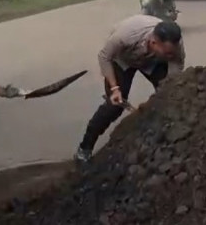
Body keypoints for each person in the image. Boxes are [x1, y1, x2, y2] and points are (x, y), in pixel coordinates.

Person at [74, 14, 185, 163]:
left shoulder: (175, 48)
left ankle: (166, 140)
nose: (171, 55)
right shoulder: (125, 36)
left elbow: (174, 75)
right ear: (153, 42)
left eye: (172, 53)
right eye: (167, 53)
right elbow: (104, 57)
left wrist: (166, 92)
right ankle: (84, 149)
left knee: (169, 99)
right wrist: (114, 89)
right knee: (113, 106)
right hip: (123, 59)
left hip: (153, 62)